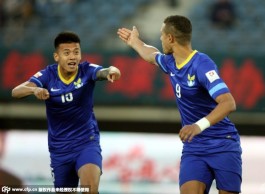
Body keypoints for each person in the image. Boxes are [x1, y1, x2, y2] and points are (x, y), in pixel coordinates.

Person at [117, 15, 242, 194]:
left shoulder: (202, 65)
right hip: (194, 147)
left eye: (162, 34)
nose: (160, 38)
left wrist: (198, 126)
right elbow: (150, 55)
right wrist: (135, 42)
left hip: (223, 144)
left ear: (170, 38)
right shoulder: (171, 62)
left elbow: (228, 103)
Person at [11, 31, 121, 193]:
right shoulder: (47, 75)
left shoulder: (86, 70)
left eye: (76, 52)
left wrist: (113, 71)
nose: (73, 57)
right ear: (57, 57)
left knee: (89, 189)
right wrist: (34, 91)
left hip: (86, 143)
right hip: (60, 149)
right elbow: (16, 91)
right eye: (67, 53)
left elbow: (104, 71)